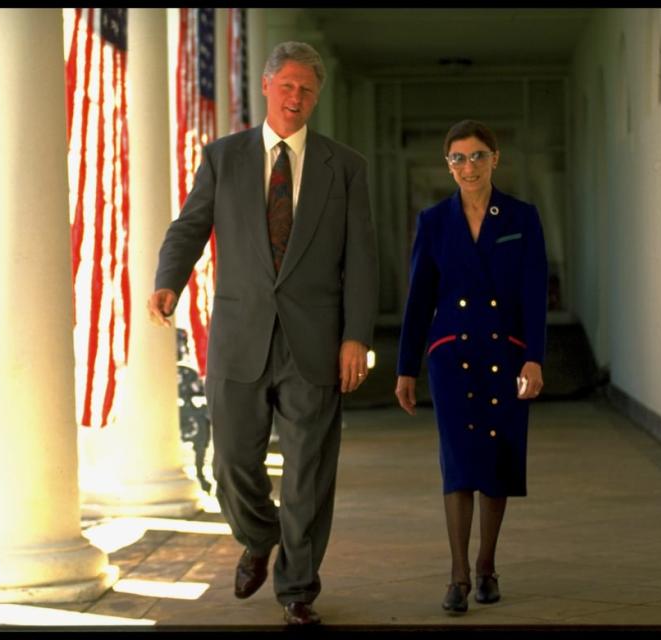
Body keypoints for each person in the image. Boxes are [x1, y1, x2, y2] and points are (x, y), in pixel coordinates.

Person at [147, 41, 378, 626]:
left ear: (316, 97)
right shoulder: (224, 158)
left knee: (308, 472)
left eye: (307, 90)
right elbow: (190, 224)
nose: (296, 98)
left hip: (315, 343)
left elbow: (363, 259)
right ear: (268, 88)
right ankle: (259, 534)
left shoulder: (344, 166)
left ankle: (297, 589)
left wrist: (356, 336)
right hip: (240, 337)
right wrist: (168, 281)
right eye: (287, 86)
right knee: (231, 464)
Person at [395, 120, 547, 614]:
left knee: (497, 460)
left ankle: (486, 565)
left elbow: (533, 295)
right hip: (451, 356)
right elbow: (418, 299)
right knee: (458, 463)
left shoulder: (521, 217)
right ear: (448, 165)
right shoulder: (434, 220)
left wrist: (535, 359)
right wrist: (405, 368)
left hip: (506, 352)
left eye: (478, 156)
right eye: (458, 158)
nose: (469, 167)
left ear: (495, 159)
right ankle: (458, 575)